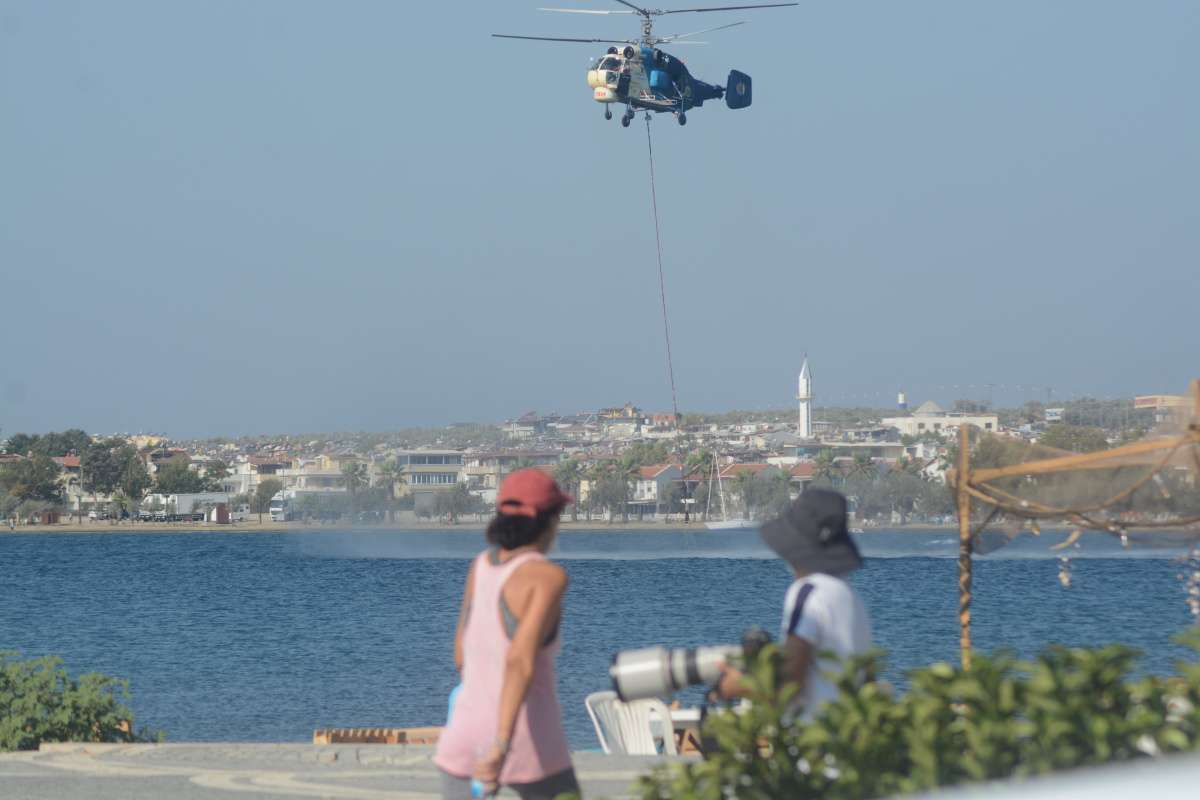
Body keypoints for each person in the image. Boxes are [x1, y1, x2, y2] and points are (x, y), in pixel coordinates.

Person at [433, 469, 579, 800]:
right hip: (526, 752)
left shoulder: (481, 565)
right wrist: (500, 745)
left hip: (461, 743)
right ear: (549, 520)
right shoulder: (546, 577)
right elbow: (519, 662)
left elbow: (461, 655)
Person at [715, 487, 872, 718]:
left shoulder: (807, 593)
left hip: (815, 740)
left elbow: (789, 688)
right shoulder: (849, 595)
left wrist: (738, 686)